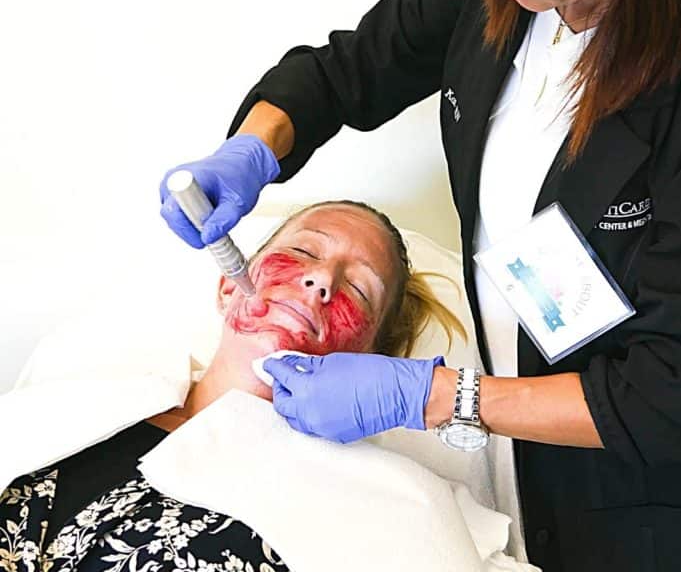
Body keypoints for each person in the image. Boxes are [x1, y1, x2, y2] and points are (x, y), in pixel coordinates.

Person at [159, 0, 681, 570]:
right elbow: (339, 75)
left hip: (662, 507)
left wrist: (435, 396)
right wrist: (253, 147)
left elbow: (679, 392)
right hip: (513, 457)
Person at [0, 200, 465, 572]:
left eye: (359, 290)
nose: (321, 279)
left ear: (367, 364)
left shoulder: (384, 508)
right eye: (304, 252)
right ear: (228, 288)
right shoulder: (67, 409)